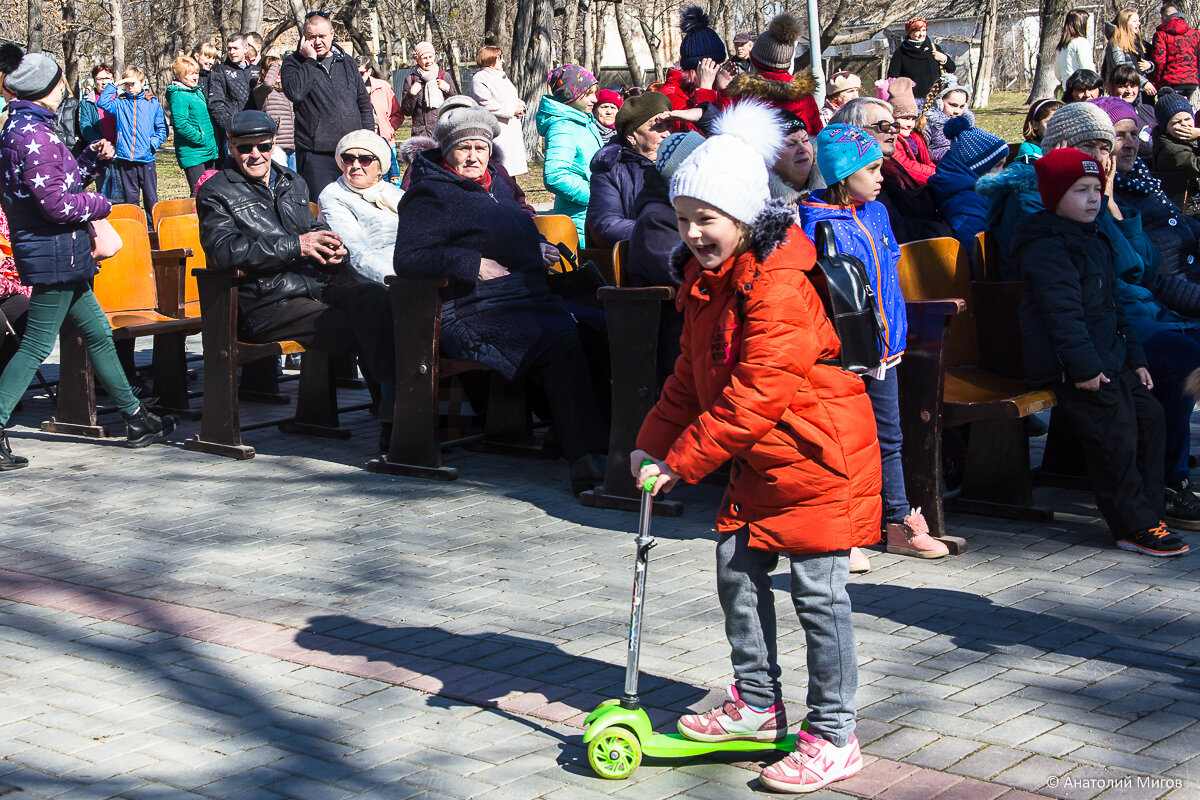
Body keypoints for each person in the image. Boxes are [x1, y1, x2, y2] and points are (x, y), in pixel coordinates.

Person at [631, 104, 881, 795]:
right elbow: (691, 376)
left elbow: (756, 393)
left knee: (819, 595)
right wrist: (652, 443)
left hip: (815, 453)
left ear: (744, 215)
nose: (692, 233)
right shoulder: (709, 281)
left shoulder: (780, 286)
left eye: (706, 219)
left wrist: (683, 462)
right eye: (683, 218)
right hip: (763, 458)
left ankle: (834, 733)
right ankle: (758, 705)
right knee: (735, 571)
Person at [392, 101, 609, 495]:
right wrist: (469, 262)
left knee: (600, 329)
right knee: (557, 343)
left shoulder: (495, 184)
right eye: (464, 148)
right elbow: (407, 258)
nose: (473, 156)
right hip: (470, 309)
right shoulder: (431, 193)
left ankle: (574, 437)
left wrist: (538, 246)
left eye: (481, 147)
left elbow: (511, 230)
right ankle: (589, 461)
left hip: (524, 296)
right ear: (447, 151)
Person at [0, 45, 175, 470]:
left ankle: (137, 418)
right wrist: (101, 204)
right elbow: (58, 204)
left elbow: (57, 181)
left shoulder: (26, 128)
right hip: (54, 251)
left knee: (97, 333)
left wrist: (87, 160)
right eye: (60, 81)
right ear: (48, 88)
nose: (64, 88)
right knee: (37, 346)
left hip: (60, 251)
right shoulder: (34, 135)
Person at [1014, 147, 1189, 557]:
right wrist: (1084, 368)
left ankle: (1149, 511)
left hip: (1109, 357)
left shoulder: (1093, 237)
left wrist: (1137, 359)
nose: (1093, 198)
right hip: (1073, 366)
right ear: (1055, 196)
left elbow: (1115, 307)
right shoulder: (1047, 246)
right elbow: (1062, 317)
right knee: (1118, 435)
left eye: (1096, 189)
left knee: (1151, 417)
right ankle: (1132, 525)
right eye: (1080, 190)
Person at [197, 110, 396, 451]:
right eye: (245, 148)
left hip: (311, 288)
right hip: (263, 302)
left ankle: (394, 409)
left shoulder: (292, 181)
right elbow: (223, 252)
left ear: (274, 144)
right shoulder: (216, 191)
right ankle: (397, 419)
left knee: (376, 299)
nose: (255, 155)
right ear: (230, 146)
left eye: (263, 146)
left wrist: (329, 245)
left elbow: (310, 229)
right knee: (358, 324)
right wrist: (297, 246)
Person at [800, 123, 950, 571]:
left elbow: (891, 269)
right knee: (846, 440)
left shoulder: (878, 212)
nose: (882, 175)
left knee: (890, 434)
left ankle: (898, 518)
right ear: (843, 176)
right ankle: (843, 529)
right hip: (843, 352)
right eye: (871, 168)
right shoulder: (814, 222)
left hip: (886, 346)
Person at [830, 97, 952, 243]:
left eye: (894, 124)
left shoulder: (888, 166)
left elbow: (910, 202)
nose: (894, 131)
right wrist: (949, 229)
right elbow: (896, 230)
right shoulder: (857, 177)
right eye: (884, 126)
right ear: (854, 132)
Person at [281, 12, 374, 199]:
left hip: (352, 151)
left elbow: (363, 103)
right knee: (322, 209)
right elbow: (295, 93)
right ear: (303, 38)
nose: (317, 42)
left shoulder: (346, 61)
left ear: (332, 34)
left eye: (322, 36)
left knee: (359, 204)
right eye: (311, 37)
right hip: (316, 155)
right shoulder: (293, 63)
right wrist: (309, 60)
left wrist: (368, 140)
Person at [585, 91, 671, 250]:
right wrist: (664, 232)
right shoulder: (611, 170)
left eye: (668, 126)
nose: (667, 134)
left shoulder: (678, 162)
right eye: (658, 127)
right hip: (638, 261)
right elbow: (606, 225)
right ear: (632, 136)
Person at [318, 130, 404, 285]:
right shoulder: (333, 195)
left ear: (380, 166)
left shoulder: (394, 193)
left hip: (414, 268)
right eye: (348, 159)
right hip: (376, 281)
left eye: (365, 159)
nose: (355, 165)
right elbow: (358, 255)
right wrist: (403, 281)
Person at [722, 11, 823, 136]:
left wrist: (722, 90)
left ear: (753, 60)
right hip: (799, 153)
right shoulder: (805, 97)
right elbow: (818, 134)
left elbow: (724, 130)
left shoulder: (744, 94)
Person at [536, 64, 604, 244]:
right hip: (578, 221)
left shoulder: (582, 120)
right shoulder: (562, 127)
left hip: (591, 216)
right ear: (570, 95)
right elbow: (555, 176)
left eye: (594, 92)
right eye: (588, 94)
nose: (595, 99)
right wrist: (596, 196)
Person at [927, 117, 1010, 253]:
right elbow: (973, 253)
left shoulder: (978, 194)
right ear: (978, 170)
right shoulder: (968, 203)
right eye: (998, 166)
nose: (1002, 172)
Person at [97, 66, 168, 216]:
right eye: (127, 85)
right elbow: (102, 103)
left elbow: (162, 129)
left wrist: (152, 144)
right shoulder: (120, 103)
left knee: (151, 198)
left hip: (146, 158)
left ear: (142, 82)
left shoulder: (152, 103)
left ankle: (153, 228)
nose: (130, 88)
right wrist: (116, 83)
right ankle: (136, 227)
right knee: (131, 199)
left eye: (133, 84)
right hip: (126, 158)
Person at [469, 46, 528, 177]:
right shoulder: (479, 78)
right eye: (499, 57)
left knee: (510, 172)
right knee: (500, 168)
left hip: (511, 129)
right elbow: (485, 104)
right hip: (497, 130)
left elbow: (511, 97)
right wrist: (511, 110)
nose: (503, 60)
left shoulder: (501, 76)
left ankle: (513, 195)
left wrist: (520, 105)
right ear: (490, 59)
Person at [165, 55, 219, 195]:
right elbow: (181, 124)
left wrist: (210, 143)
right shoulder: (179, 95)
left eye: (196, 73)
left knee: (212, 190)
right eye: (190, 74)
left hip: (208, 150)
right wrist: (201, 139)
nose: (195, 77)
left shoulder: (195, 92)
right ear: (180, 76)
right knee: (198, 191)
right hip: (193, 152)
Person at [662, 6, 731, 112]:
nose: (718, 71)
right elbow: (700, 127)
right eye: (714, 66)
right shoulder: (672, 94)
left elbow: (727, 125)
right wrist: (705, 89)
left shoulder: (715, 88)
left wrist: (726, 91)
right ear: (702, 67)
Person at [76, 64, 122, 202]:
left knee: (127, 193)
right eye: (99, 79)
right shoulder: (86, 102)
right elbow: (85, 127)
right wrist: (101, 144)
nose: (104, 82)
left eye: (107, 78)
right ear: (94, 80)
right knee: (105, 193)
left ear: (113, 79)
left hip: (123, 150)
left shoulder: (123, 97)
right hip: (102, 152)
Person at [1151, 88, 1200, 209]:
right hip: (1187, 211)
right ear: (1165, 128)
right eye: (1177, 122)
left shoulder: (1182, 141)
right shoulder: (1170, 150)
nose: (1185, 125)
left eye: (1188, 119)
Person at [400, 41, 458, 139]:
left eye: (430, 57)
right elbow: (406, 112)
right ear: (417, 59)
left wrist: (448, 90)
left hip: (444, 132)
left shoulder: (444, 76)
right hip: (422, 135)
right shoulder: (411, 79)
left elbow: (457, 103)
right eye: (424, 58)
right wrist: (412, 94)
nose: (428, 61)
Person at [888, 17, 954, 101]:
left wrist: (944, 59)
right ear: (910, 33)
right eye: (917, 31)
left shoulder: (934, 48)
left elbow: (952, 68)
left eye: (924, 30)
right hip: (910, 100)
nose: (921, 34)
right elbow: (893, 78)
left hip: (935, 99)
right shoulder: (900, 53)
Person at [207, 34, 259, 138]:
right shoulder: (220, 71)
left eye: (235, 48)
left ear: (245, 49)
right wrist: (230, 126)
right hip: (234, 131)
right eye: (229, 48)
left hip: (256, 127)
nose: (232, 52)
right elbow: (215, 104)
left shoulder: (256, 70)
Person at [887, 78, 936, 185]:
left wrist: (941, 171)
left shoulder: (915, 137)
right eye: (905, 118)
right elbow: (906, 166)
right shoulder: (890, 139)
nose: (910, 124)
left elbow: (926, 161)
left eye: (913, 119)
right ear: (892, 118)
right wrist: (936, 175)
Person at [252, 56, 296, 170]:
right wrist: (277, 64)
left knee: (294, 182)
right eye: (274, 70)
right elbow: (268, 84)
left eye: (281, 70)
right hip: (276, 147)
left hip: (293, 147)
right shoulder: (261, 91)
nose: (279, 73)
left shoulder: (288, 92)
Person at [1107, 64, 1156, 158]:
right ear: (1110, 87)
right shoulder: (1108, 114)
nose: (1129, 91)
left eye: (1133, 86)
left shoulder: (1147, 110)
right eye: (1122, 86)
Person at [1152, 3, 1200, 99]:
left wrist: (1157, 82)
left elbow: (1159, 60)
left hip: (1171, 81)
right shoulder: (1195, 34)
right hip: (1191, 82)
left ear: (1164, 16)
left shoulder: (1161, 34)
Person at [1103, 8, 1156, 95]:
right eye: (1134, 21)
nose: (1138, 23)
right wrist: (1144, 83)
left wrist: (1149, 65)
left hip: (1139, 89)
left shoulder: (1137, 41)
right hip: (1124, 90)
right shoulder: (1116, 43)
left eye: (1138, 20)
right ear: (1125, 23)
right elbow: (1121, 68)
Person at [356, 55, 402, 148]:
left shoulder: (383, 87)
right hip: (359, 141)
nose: (357, 77)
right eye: (354, 73)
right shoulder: (348, 90)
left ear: (369, 71)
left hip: (384, 140)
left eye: (361, 73)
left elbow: (397, 114)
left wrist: (389, 129)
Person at [922, 81, 973, 163]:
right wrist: (948, 155)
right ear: (940, 103)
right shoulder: (930, 124)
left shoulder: (966, 126)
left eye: (961, 107)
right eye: (953, 105)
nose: (957, 111)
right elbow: (922, 153)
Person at [1056, 9, 1098, 91]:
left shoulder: (1062, 46)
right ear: (1080, 24)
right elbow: (1087, 69)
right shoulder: (1081, 42)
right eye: (1088, 23)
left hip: (1067, 89)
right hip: (1082, 90)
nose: (1089, 26)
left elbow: (1058, 73)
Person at [1016, 98, 1063, 163]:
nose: (1056, 127)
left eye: (1061, 122)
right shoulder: (1030, 149)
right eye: (1050, 122)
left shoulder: (1068, 144)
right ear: (1035, 124)